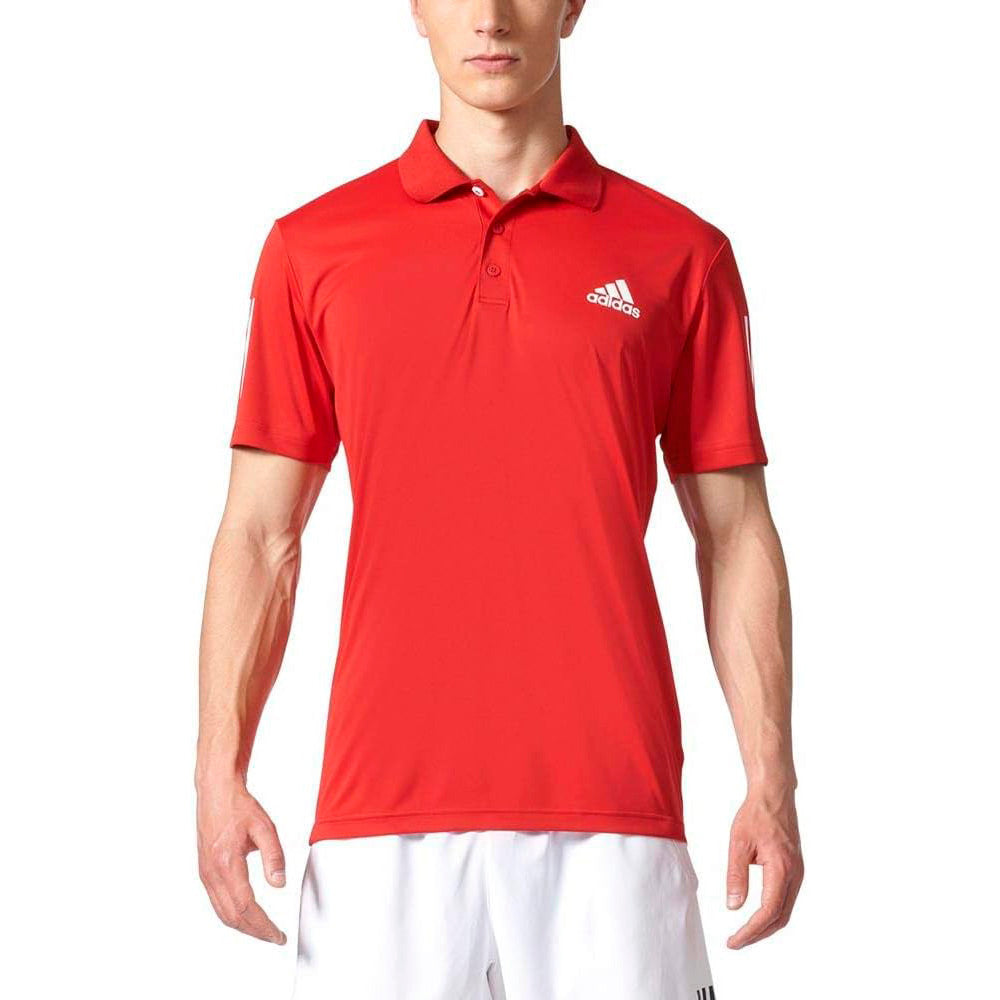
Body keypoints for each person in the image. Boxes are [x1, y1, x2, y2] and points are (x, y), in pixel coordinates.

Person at [195, 1, 803, 996]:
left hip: (616, 816)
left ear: (571, 6)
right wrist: (218, 776)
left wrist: (770, 780)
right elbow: (260, 535)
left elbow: (734, 536)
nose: (488, 16)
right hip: (378, 822)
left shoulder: (679, 252)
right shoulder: (315, 248)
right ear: (415, 8)